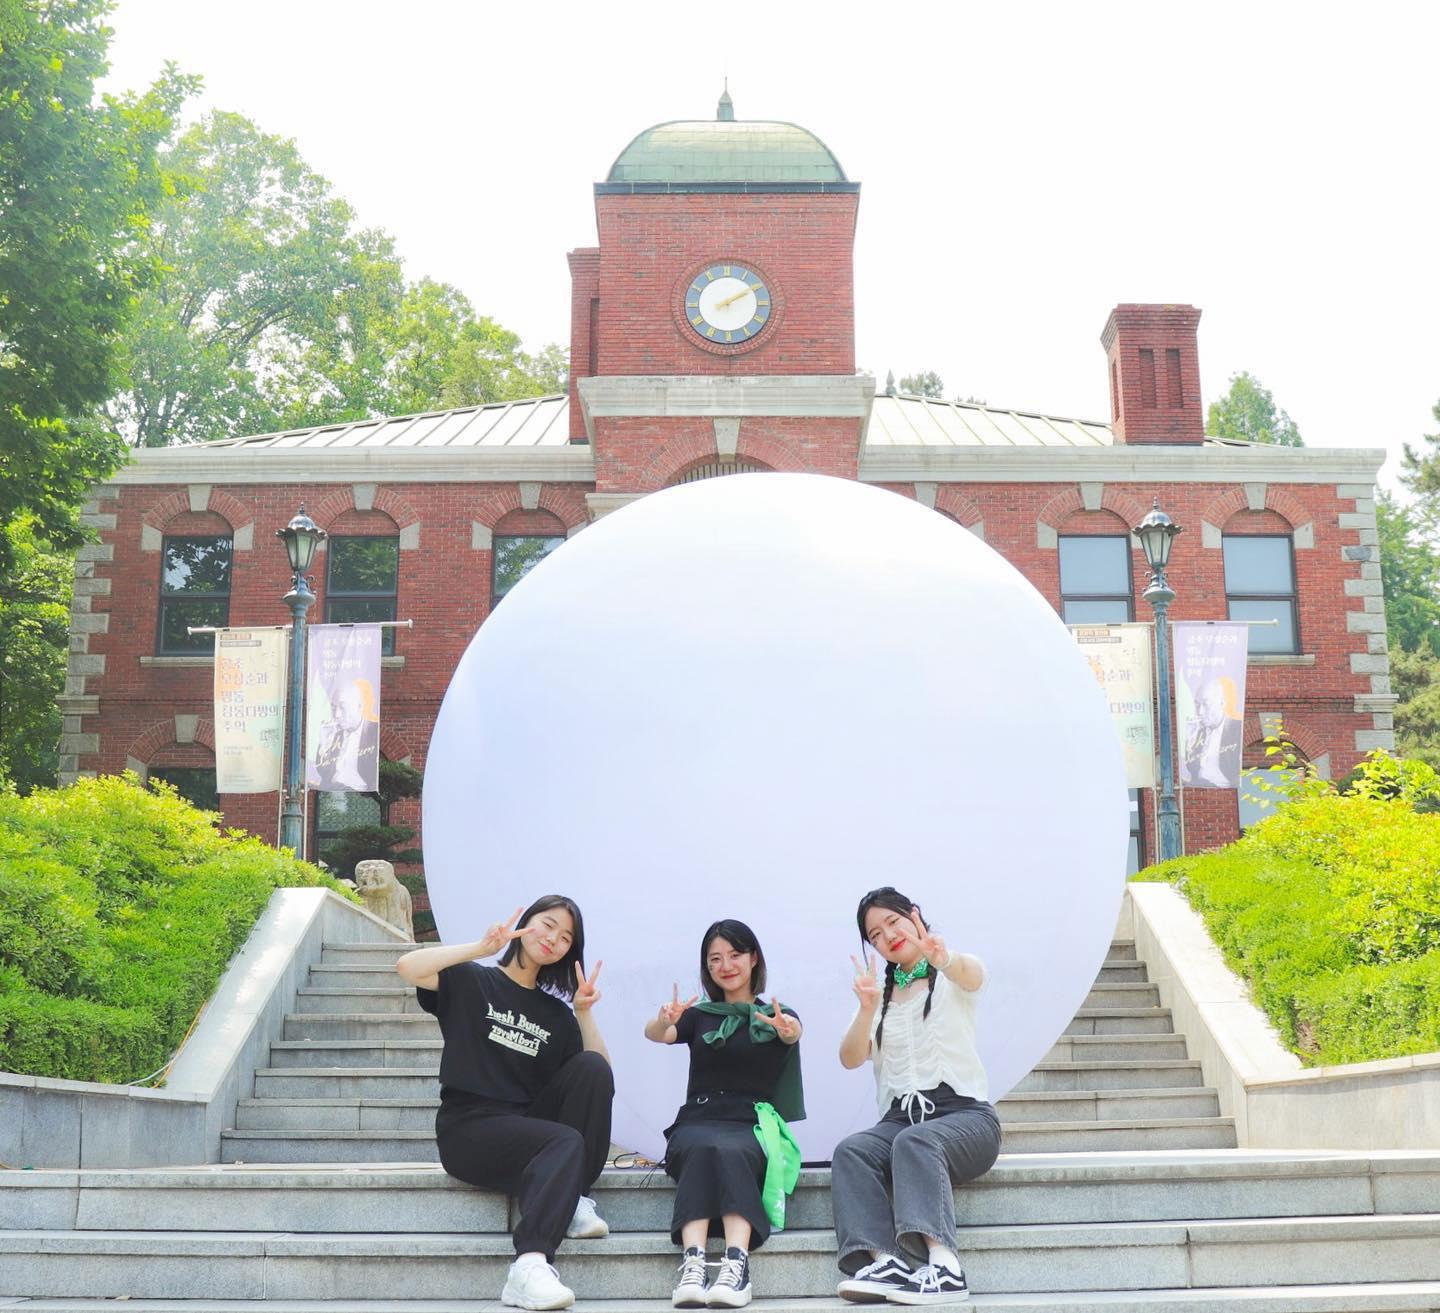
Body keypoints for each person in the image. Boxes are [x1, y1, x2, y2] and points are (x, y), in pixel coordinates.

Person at [395, 896, 614, 1311]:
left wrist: (583, 1014)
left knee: (591, 1068)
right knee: (563, 1142)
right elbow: (407, 967)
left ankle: (572, 1198)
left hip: (526, 1126)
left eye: (566, 937)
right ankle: (528, 1267)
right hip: (470, 1127)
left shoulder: (556, 1014)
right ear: (526, 923)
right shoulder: (472, 980)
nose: (554, 939)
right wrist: (480, 948)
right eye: (547, 925)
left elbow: (602, 1078)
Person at [832, 887, 1001, 1306]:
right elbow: (850, 1057)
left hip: (964, 1118)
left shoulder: (951, 974)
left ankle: (945, 1268)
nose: (887, 936)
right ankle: (884, 1260)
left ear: (914, 915)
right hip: (899, 1119)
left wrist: (942, 958)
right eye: (875, 935)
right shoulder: (880, 999)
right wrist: (868, 1008)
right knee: (852, 1151)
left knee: (916, 1139)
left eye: (892, 922)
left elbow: (973, 974)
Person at [645, 919, 805, 1310]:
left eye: (734, 955)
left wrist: (786, 1028)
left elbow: (792, 1031)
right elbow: (657, 1034)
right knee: (701, 1146)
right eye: (715, 958)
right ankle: (693, 1263)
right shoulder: (698, 1015)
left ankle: (736, 1264)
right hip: (698, 1118)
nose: (726, 965)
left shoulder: (773, 1014)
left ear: (753, 958)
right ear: (707, 967)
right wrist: (665, 1018)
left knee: (733, 1150)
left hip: (751, 1122)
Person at [311, 678, 380, 791]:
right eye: (333, 707)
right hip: (332, 793)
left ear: (359, 707)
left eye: (343, 707)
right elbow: (323, 772)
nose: (337, 714)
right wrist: (324, 743)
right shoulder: (334, 733)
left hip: (362, 795)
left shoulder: (374, 732)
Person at [1181, 675, 1243, 788]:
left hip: (1228, 792)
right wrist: (1188, 742)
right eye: (1197, 704)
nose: (1200, 711)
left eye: (1205, 704)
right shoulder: (1197, 731)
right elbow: (1190, 771)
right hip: (1200, 792)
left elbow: (1238, 772)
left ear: (1222, 703)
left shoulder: (1237, 729)